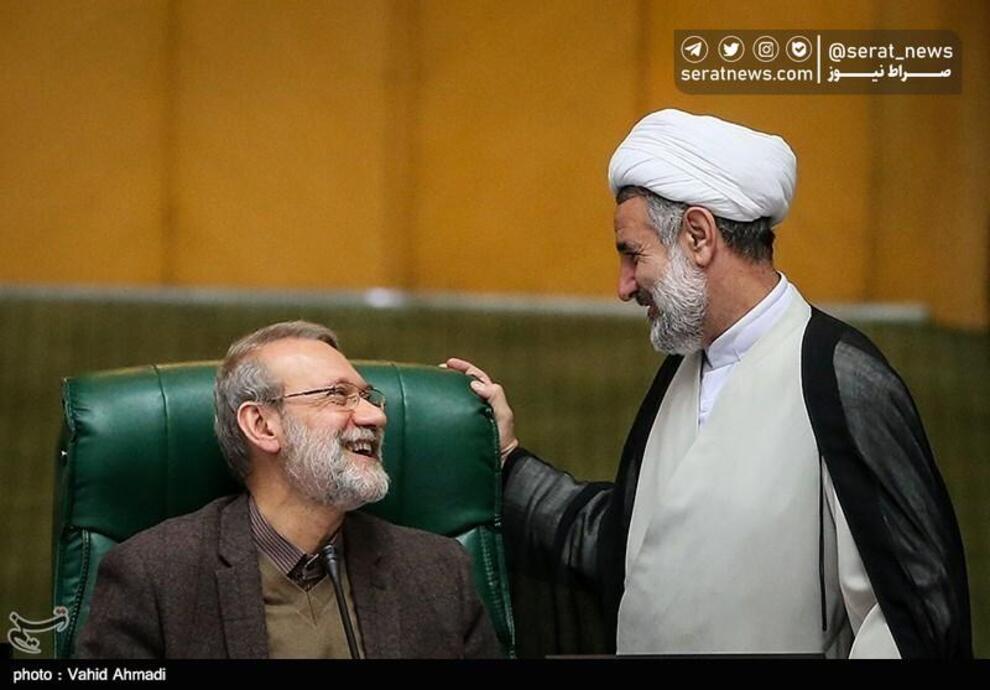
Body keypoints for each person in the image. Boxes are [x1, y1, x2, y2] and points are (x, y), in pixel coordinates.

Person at [448, 109, 971, 658]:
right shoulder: (681, 369)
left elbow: (915, 619)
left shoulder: (843, 380)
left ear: (698, 236)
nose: (624, 286)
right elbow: (636, 555)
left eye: (632, 254)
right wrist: (506, 459)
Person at [77, 320, 502, 659]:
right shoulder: (153, 578)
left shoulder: (440, 572)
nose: (375, 416)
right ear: (263, 425)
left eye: (369, 397)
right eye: (339, 395)